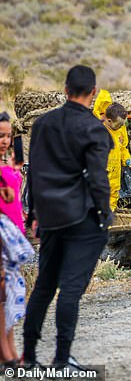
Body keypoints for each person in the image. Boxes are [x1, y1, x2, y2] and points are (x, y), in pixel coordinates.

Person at [22, 65, 113, 371]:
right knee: (71, 289)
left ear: (65, 90)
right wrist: (105, 215)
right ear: (94, 92)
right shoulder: (94, 130)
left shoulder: (43, 124)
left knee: (44, 287)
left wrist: (33, 213)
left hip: (49, 217)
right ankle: (62, 359)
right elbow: (99, 179)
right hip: (81, 217)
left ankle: (29, 358)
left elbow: (33, 172)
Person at [0, 112, 34, 368]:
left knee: (10, 294)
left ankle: (9, 349)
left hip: (14, 237)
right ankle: (7, 354)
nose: (5, 140)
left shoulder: (8, 162)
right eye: (0, 135)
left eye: (8, 135)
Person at [102, 103, 131, 210]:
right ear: (109, 120)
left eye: (123, 124)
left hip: (114, 179)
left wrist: (128, 162)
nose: (121, 126)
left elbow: (123, 148)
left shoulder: (121, 129)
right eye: (119, 124)